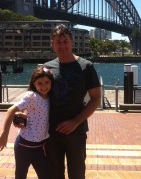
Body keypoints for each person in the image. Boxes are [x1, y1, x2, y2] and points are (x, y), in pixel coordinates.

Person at [44, 24, 101, 179]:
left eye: (65, 41)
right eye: (58, 42)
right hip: (51, 132)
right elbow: (37, 98)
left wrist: (75, 122)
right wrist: (23, 115)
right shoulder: (46, 68)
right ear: (52, 44)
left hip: (76, 132)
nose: (62, 45)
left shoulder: (86, 66)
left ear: (72, 42)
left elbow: (96, 98)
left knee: (77, 174)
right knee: (54, 174)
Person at [0, 66, 54, 179]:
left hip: (40, 147)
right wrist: (4, 135)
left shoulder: (50, 97)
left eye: (47, 82)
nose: (44, 86)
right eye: (39, 83)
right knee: (20, 175)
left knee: (46, 175)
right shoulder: (32, 96)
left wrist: (26, 116)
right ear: (34, 84)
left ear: (51, 82)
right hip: (24, 145)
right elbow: (11, 110)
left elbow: (40, 114)